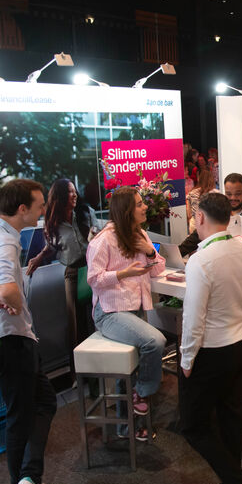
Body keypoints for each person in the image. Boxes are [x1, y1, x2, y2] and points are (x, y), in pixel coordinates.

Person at [0, 179, 68, 484]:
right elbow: (5, 286)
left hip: (2, 337)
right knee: (23, 415)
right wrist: (13, 302)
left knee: (40, 403)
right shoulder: (4, 241)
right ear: (22, 208)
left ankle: (27, 482)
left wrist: (8, 299)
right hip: (10, 340)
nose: (43, 211)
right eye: (39, 206)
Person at [179, 193, 242, 484]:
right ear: (230, 218)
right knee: (231, 418)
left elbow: (193, 319)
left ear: (200, 218)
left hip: (211, 353)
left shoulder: (200, 260)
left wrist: (186, 360)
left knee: (193, 425)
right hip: (240, 346)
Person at [86, 186, 167, 437]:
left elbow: (158, 270)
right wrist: (123, 273)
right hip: (109, 313)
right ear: (126, 210)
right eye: (140, 204)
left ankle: (127, 427)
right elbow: (94, 279)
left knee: (130, 369)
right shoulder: (103, 240)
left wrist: (150, 251)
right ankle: (142, 393)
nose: (145, 207)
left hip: (134, 310)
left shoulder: (139, 234)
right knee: (155, 341)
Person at [26, 178, 99, 378]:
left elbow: (100, 236)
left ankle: (100, 369)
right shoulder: (54, 223)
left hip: (93, 270)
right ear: (59, 196)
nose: (74, 195)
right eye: (69, 192)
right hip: (73, 273)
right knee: (75, 324)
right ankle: (79, 374)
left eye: (75, 191)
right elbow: (52, 246)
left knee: (96, 318)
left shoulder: (86, 213)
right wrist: (39, 257)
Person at [179, 173, 242, 258]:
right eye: (229, 194)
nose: (233, 198)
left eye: (238, 194)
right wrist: (177, 254)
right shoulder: (218, 210)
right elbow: (196, 236)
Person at [186, 168, 217, 232]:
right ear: (211, 179)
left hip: (194, 225)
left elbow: (189, 214)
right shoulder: (215, 194)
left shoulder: (191, 194)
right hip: (210, 226)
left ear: (199, 178)